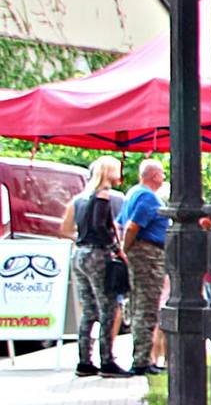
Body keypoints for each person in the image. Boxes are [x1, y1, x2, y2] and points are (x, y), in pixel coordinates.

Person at [58, 156, 129, 378]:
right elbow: (100, 226)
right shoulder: (102, 196)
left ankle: (84, 360)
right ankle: (107, 360)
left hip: (79, 253)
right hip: (97, 254)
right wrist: (116, 249)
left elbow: (66, 228)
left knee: (88, 309)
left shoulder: (79, 199)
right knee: (108, 307)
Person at [116, 158, 168, 376]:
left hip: (142, 252)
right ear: (154, 176)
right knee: (146, 307)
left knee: (140, 304)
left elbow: (119, 223)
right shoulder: (147, 197)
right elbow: (131, 226)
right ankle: (141, 361)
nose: (164, 177)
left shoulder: (132, 193)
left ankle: (142, 358)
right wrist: (125, 250)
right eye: (162, 173)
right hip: (148, 255)